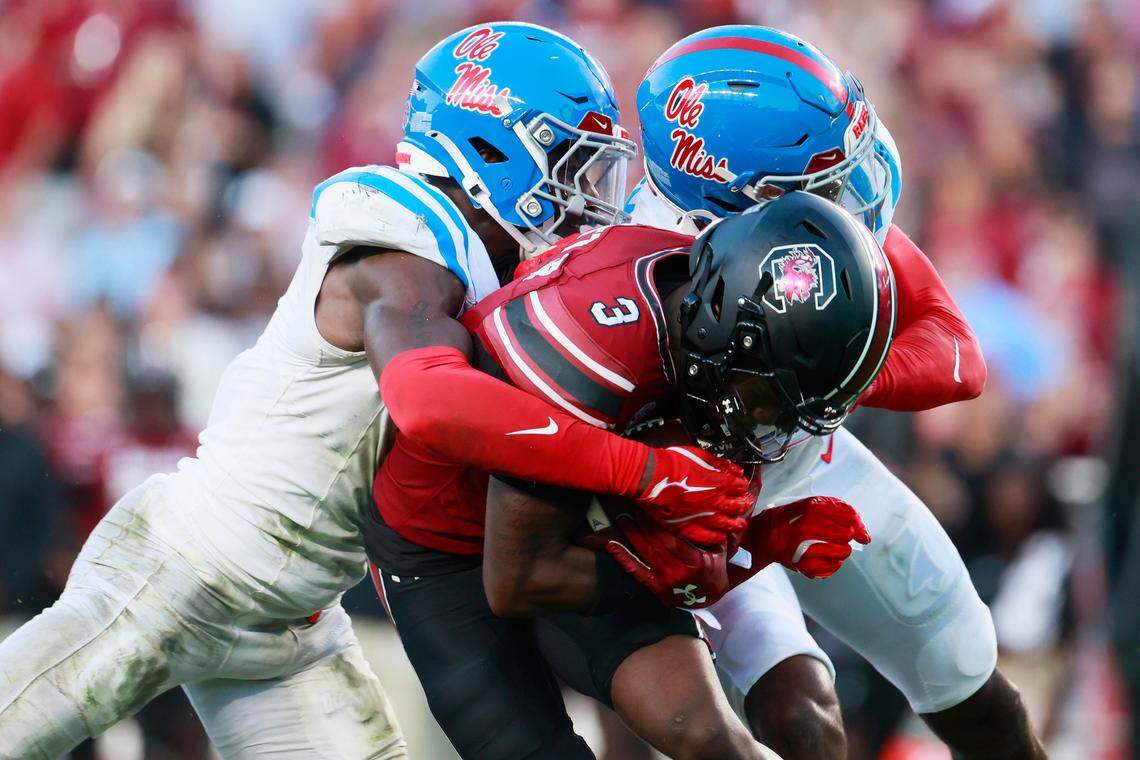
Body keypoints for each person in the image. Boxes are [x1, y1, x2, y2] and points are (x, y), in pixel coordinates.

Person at [0, 23, 751, 758]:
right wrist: (641, 472)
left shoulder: (499, 270)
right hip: (184, 566)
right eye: (571, 162)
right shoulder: (401, 250)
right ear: (492, 146)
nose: (589, 193)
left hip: (293, 620)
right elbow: (431, 402)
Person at [626, 25, 1045, 760]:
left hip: (803, 464)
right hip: (683, 500)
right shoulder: (623, 279)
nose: (846, 197)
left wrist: (828, 383)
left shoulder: (801, 229)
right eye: (819, 183)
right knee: (794, 718)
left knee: (975, 691)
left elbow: (956, 351)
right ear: (734, 197)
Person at [370, 191, 885, 759]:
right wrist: (669, 549)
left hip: (586, 523)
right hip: (444, 548)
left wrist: (756, 542)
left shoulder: (711, 328)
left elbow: (675, 533)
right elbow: (518, 579)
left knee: (714, 743)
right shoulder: (596, 343)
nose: (770, 425)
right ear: (720, 323)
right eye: (765, 397)